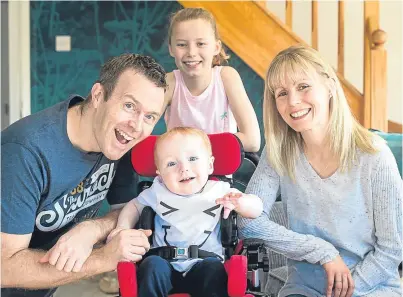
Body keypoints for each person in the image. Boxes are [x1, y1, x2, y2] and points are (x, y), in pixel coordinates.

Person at [238, 45, 402, 297]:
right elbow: (247, 221)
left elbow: (392, 249)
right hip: (303, 289)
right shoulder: (278, 152)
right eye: (282, 93)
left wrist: (344, 289)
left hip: (371, 287)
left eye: (303, 87)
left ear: (329, 86)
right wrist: (322, 251)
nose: (293, 102)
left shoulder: (374, 155)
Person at [1, 53, 167, 297]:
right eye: (129, 106)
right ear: (99, 96)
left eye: (150, 117)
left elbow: (130, 209)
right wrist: (102, 259)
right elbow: (5, 268)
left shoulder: (118, 142)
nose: (137, 126)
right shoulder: (25, 151)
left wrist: (91, 229)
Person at [107, 127, 263, 297]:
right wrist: (122, 228)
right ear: (159, 173)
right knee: (151, 266)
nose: (184, 168)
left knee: (214, 270)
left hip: (204, 262)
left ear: (210, 165)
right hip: (163, 263)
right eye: (171, 163)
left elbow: (257, 209)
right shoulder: (157, 191)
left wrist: (241, 202)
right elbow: (133, 207)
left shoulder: (220, 190)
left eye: (193, 159)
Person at [163, 7, 261, 153]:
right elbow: (141, 132)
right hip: (178, 174)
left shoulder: (226, 77)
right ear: (171, 49)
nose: (191, 52)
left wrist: (189, 148)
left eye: (201, 44)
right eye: (182, 45)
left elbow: (253, 141)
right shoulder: (169, 82)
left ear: (216, 47)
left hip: (220, 174)